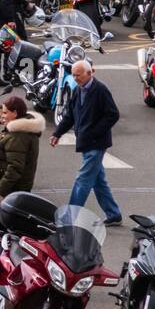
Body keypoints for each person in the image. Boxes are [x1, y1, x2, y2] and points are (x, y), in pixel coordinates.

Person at [51, 60, 122, 225]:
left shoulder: (100, 90)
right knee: (98, 181)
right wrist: (57, 133)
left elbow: (113, 114)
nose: (76, 78)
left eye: (79, 75)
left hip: (96, 143)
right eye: (74, 75)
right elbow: (70, 115)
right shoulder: (77, 90)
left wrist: (94, 132)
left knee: (82, 180)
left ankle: (69, 217)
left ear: (90, 73)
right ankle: (113, 214)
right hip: (86, 142)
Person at [0, 95, 42, 231]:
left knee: (1, 226)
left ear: (15, 114)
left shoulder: (18, 136)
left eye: (5, 112)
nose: (2, 116)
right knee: (1, 225)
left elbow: (15, 168)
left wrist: (2, 192)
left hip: (10, 191)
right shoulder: (16, 130)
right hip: (11, 189)